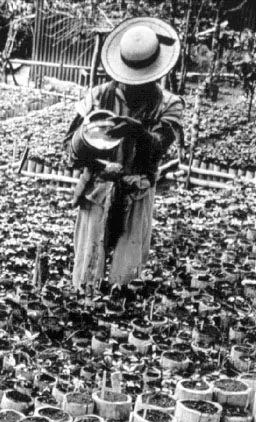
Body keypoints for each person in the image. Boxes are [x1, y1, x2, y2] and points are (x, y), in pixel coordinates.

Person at [64, 17, 184, 294]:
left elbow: (158, 147)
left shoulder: (168, 104)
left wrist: (137, 132)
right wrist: (88, 151)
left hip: (137, 190)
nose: (133, 87)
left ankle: (118, 313)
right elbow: (68, 152)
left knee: (126, 276)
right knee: (87, 272)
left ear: (155, 74)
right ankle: (86, 309)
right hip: (97, 189)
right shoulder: (97, 98)